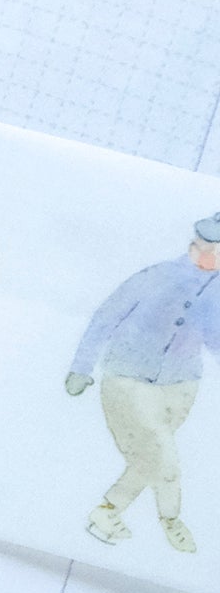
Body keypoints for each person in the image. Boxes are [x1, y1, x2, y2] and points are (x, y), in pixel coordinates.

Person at [66, 214, 220, 554]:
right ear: (199, 244)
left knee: (149, 458)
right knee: (165, 459)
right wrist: (81, 368)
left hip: (182, 385)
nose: (206, 253)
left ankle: (105, 512)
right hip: (129, 378)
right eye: (206, 246)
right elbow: (106, 316)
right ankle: (171, 520)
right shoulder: (157, 276)